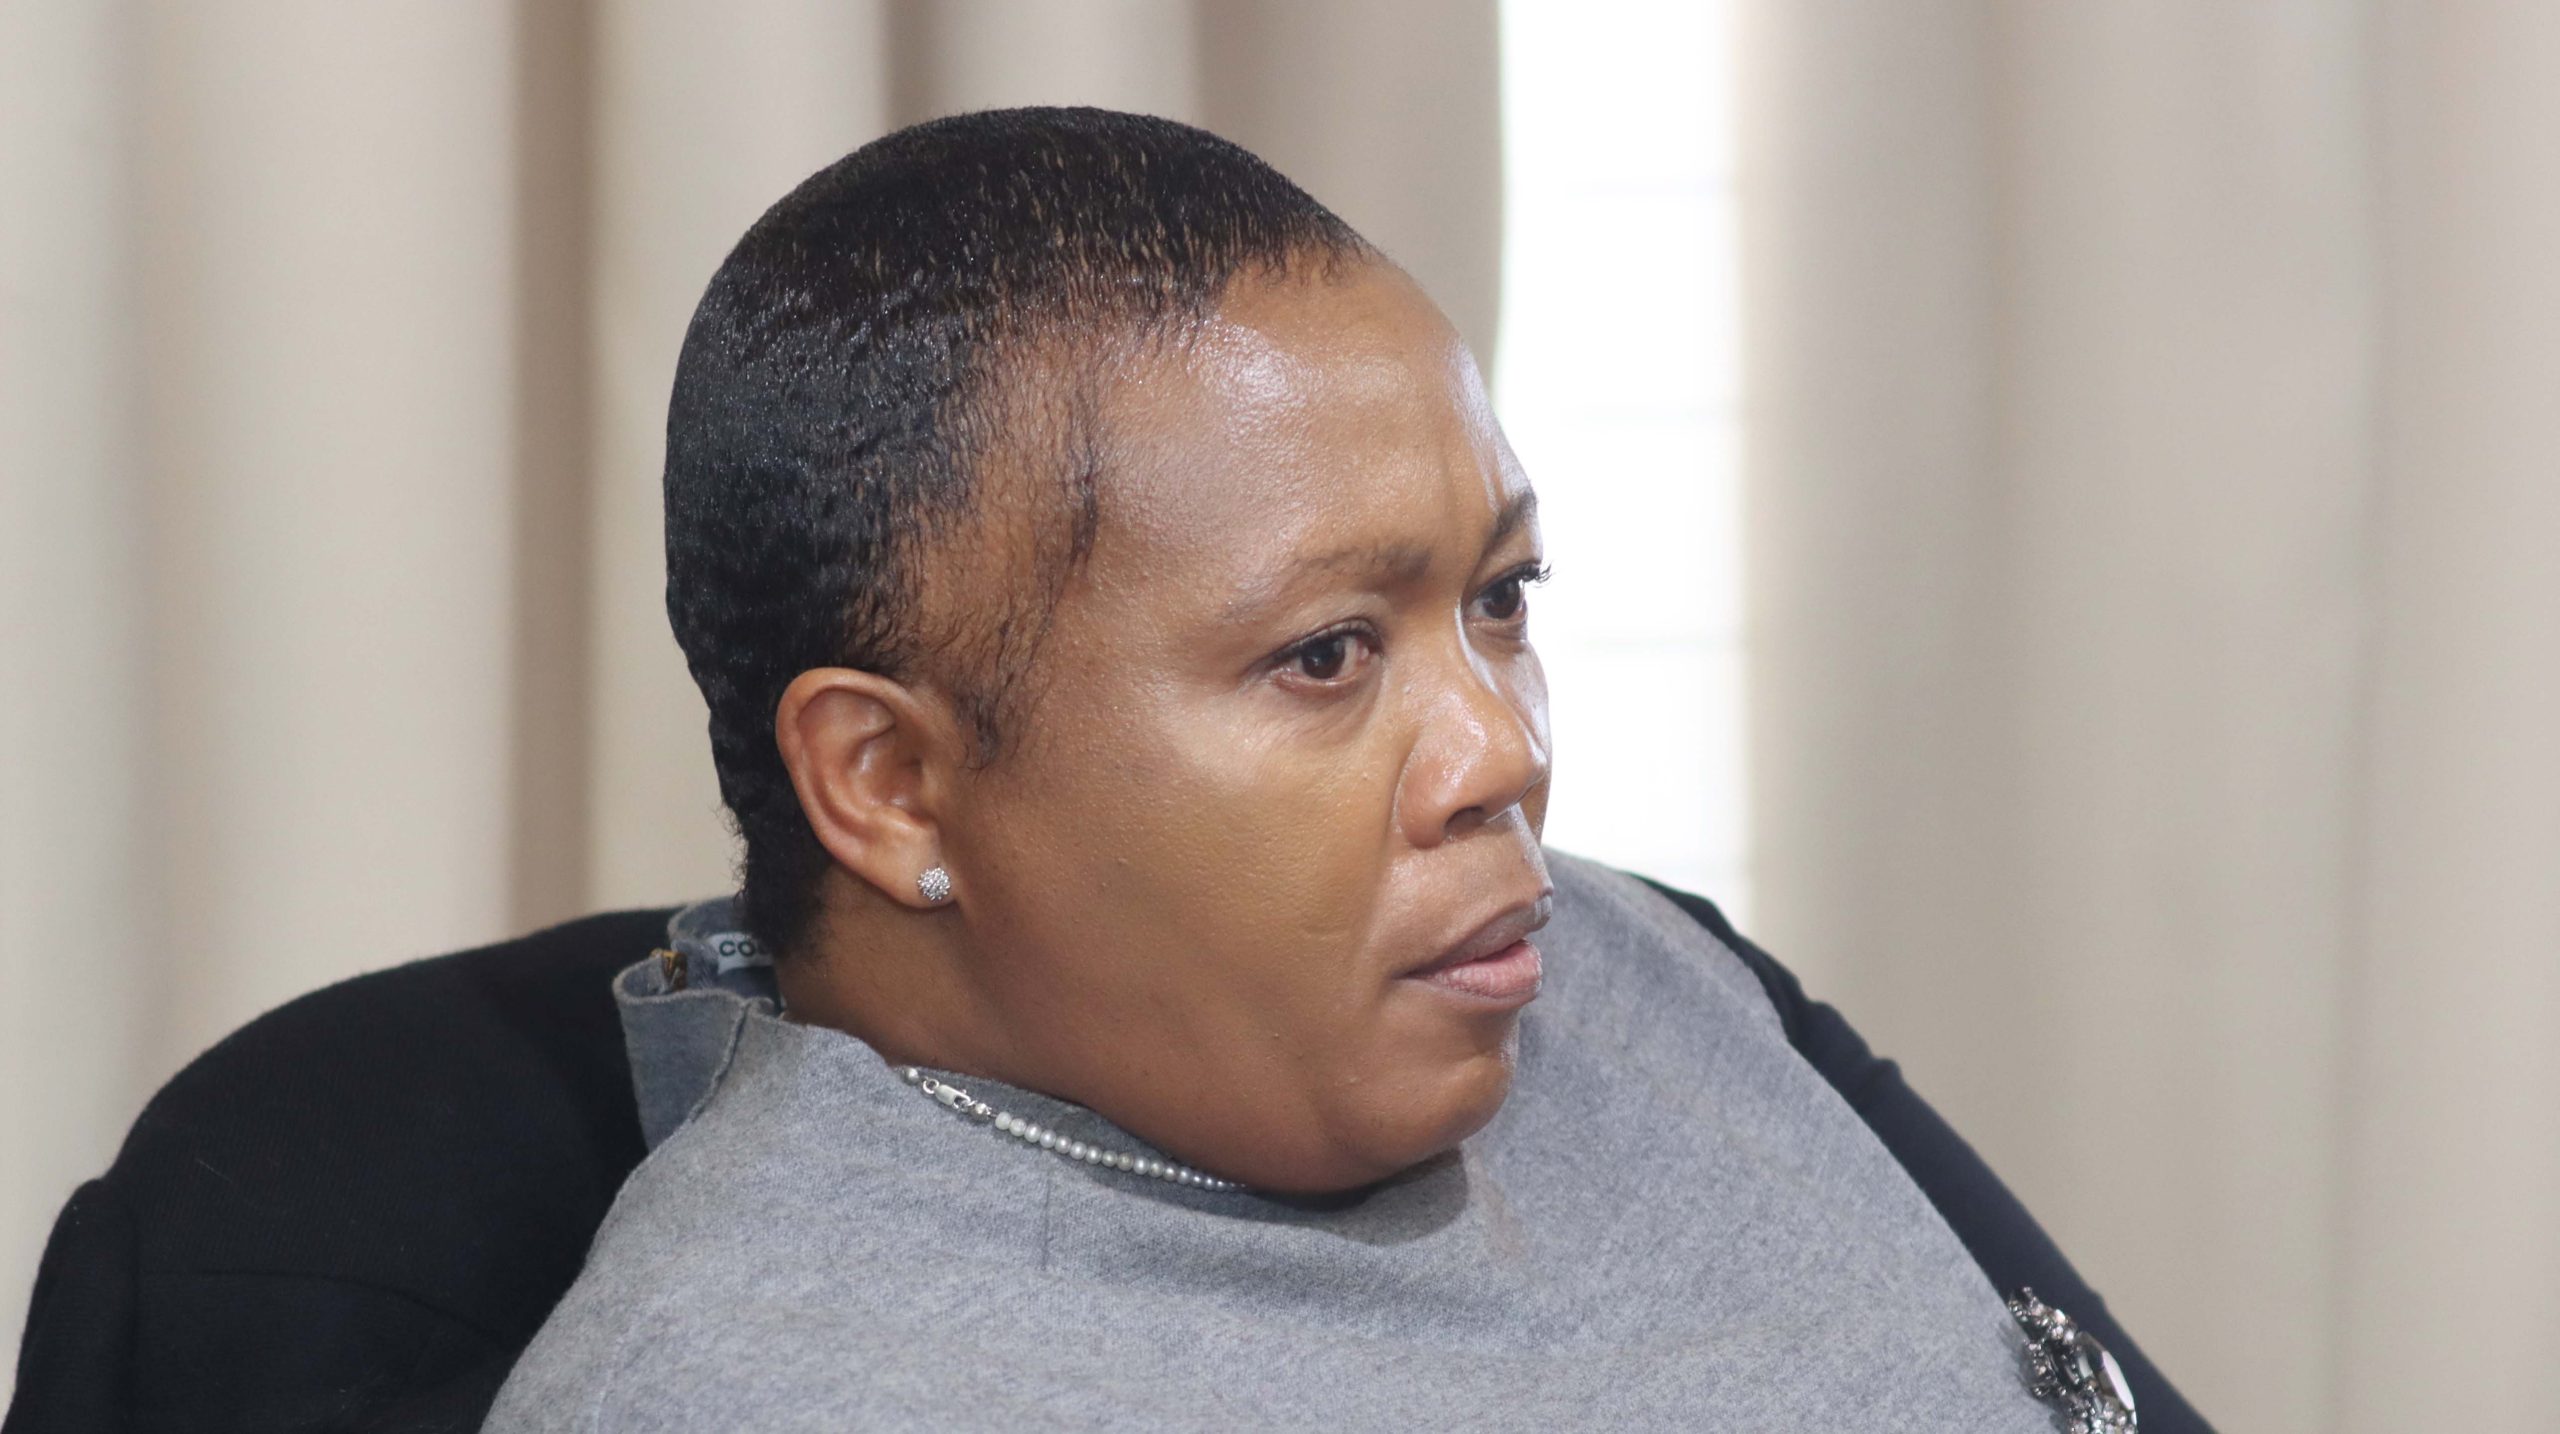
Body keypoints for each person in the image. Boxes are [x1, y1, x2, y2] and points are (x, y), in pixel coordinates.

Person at [481, 107, 2203, 1432]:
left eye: (1501, 598)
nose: (1504, 751)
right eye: (1326, 655)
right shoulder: (749, 1387)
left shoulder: (1643, 969)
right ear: (892, 785)